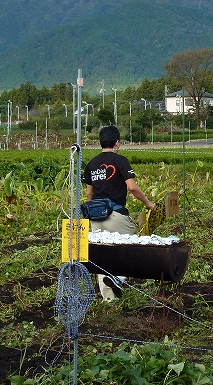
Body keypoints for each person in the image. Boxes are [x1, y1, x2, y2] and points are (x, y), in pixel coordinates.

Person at [83, 125, 156, 302]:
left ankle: (109, 301)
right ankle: (119, 278)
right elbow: (132, 187)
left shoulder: (92, 164)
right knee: (133, 247)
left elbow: (89, 195)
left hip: (96, 216)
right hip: (115, 214)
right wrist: (148, 203)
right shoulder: (120, 161)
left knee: (104, 256)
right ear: (117, 142)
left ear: (101, 142)